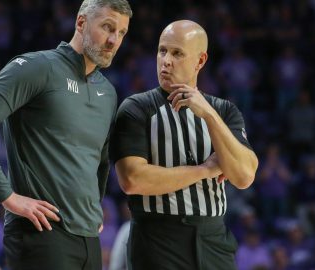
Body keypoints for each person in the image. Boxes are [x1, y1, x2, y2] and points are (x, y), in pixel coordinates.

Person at [0, 1, 132, 269]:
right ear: (81, 23)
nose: (113, 40)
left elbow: (102, 159)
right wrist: (7, 196)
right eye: (107, 27)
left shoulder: (107, 92)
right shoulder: (38, 67)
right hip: (40, 233)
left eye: (121, 33)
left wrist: (93, 207)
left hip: (88, 239)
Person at [110, 20, 258, 269]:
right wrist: (206, 170)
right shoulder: (136, 108)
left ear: (200, 61)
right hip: (157, 239)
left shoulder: (224, 111)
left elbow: (244, 176)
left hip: (213, 240)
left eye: (177, 53)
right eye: (162, 50)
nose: (166, 60)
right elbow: (133, 180)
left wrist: (209, 115)